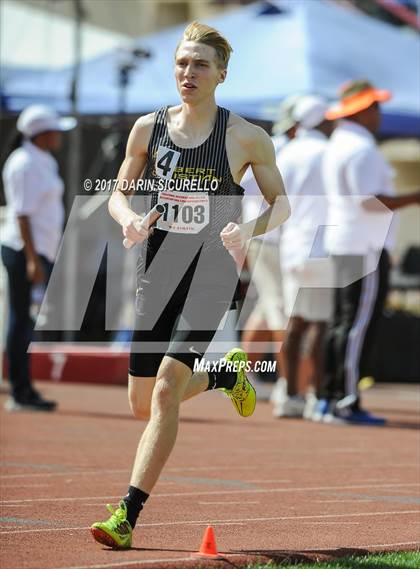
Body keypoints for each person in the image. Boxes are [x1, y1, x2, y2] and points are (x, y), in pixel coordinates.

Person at [90, 22, 290, 549]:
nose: (189, 72)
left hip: (210, 274)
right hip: (157, 275)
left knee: (163, 392)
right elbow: (118, 194)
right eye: (182, 62)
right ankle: (225, 377)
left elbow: (282, 203)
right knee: (142, 403)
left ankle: (126, 517)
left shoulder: (246, 136)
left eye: (200, 64)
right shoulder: (146, 129)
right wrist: (127, 219)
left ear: (221, 74)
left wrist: (246, 229)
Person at [317, 80, 420, 425]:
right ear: (361, 111)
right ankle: (345, 400)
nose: (380, 114)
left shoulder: (339, 143)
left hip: (348, 242)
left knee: (342, 323)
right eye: (374, 107)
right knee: (357, 325)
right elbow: (370, 202)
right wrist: (415, 196)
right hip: (365, 245)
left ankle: (328, 398)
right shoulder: (361, 148)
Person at [1, 105, 76, 412]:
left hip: (37, 252)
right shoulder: (24, 163)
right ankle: (20, 392)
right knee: (22, 321)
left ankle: (23, 388)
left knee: (25, 320)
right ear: (42, 134)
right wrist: (32, 259)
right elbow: (21, 214)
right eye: (55, 130)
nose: (59, 135)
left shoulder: (41, 160)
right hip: (24, 252)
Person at [273, 96, 335, 418]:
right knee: (321, 324)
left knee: (294, 323)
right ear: (320, 121)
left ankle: (290, 393)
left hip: (291, 245)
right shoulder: (329, 152)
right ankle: (317, 394)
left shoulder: (286, 152)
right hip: (323, 245)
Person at [240, 96, 299, 401]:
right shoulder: (275, 149)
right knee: (279, 310)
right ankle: (289, 388)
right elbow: (241, 185)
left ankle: (241, 375)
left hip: (272, 239)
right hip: (269, 240)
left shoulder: (282, 149)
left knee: (267, 306)